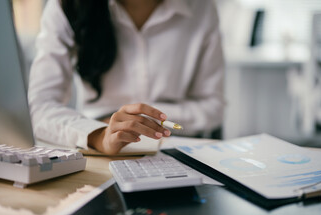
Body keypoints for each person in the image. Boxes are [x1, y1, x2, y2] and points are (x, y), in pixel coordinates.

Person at [28, 0, 225, 155]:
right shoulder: (68, 6)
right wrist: (99, 135)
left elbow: (213, 106)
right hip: (96, 147)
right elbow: (39, 107)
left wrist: (140, 120)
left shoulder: (202, 7)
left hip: (178, 148)